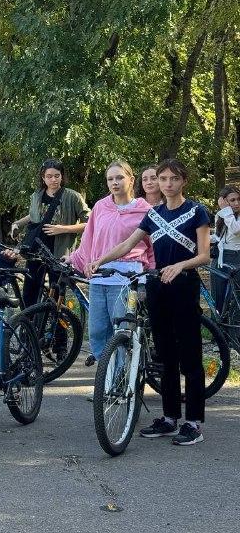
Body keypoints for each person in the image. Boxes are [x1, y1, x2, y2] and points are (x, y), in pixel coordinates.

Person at [86, 159, 211, 446]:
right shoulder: (153, 214)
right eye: (164, 179)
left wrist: (181, 266)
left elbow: (205, 255)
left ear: (183, 181)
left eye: (173, 179)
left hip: (183, 285)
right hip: (157, 285)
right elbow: (128, 244)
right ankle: (169, 418)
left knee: (190, 354)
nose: (167, 184)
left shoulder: (197, 211)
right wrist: (100, 260)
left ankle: (193, 422)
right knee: (165, 354)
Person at [68, 161, 155, 373]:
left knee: (122, 331)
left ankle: (118, 382)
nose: (115, 183)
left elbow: (154, 248)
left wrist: (150, 277)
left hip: (128, 277)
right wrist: (73, 259)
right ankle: (105, 379)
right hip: (100, 275)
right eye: (110, 179)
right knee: (97, 331)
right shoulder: (100, 207)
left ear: (131, 180)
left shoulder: (145, 210)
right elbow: (88, 240)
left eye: (119, 178)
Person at [10, 159, 90, 307]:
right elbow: (33, 216)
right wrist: (17, 224)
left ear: (62, 176)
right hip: (36, 250)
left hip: (59, 253)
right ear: (43, 177)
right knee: (29, 293)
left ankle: (58, 329)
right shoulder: (36, 196)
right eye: (49, 176)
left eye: (57, 175)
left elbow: (91, 223)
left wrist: (63, 229)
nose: (53, 179)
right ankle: (29, 327)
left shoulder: (73, 197)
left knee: (57, 296)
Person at [211, 185, 240, 313]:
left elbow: (235, 230)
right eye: (232, 200)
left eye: (238, 199)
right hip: (220, 258)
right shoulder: (221, 215)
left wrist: (226, 210)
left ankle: (234, 330)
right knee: (218, 296)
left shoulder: (227, 214)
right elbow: (219, 237)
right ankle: (218, 329)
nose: (237, 203)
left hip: (236, 258)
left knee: (235, 298)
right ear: (223, 200)